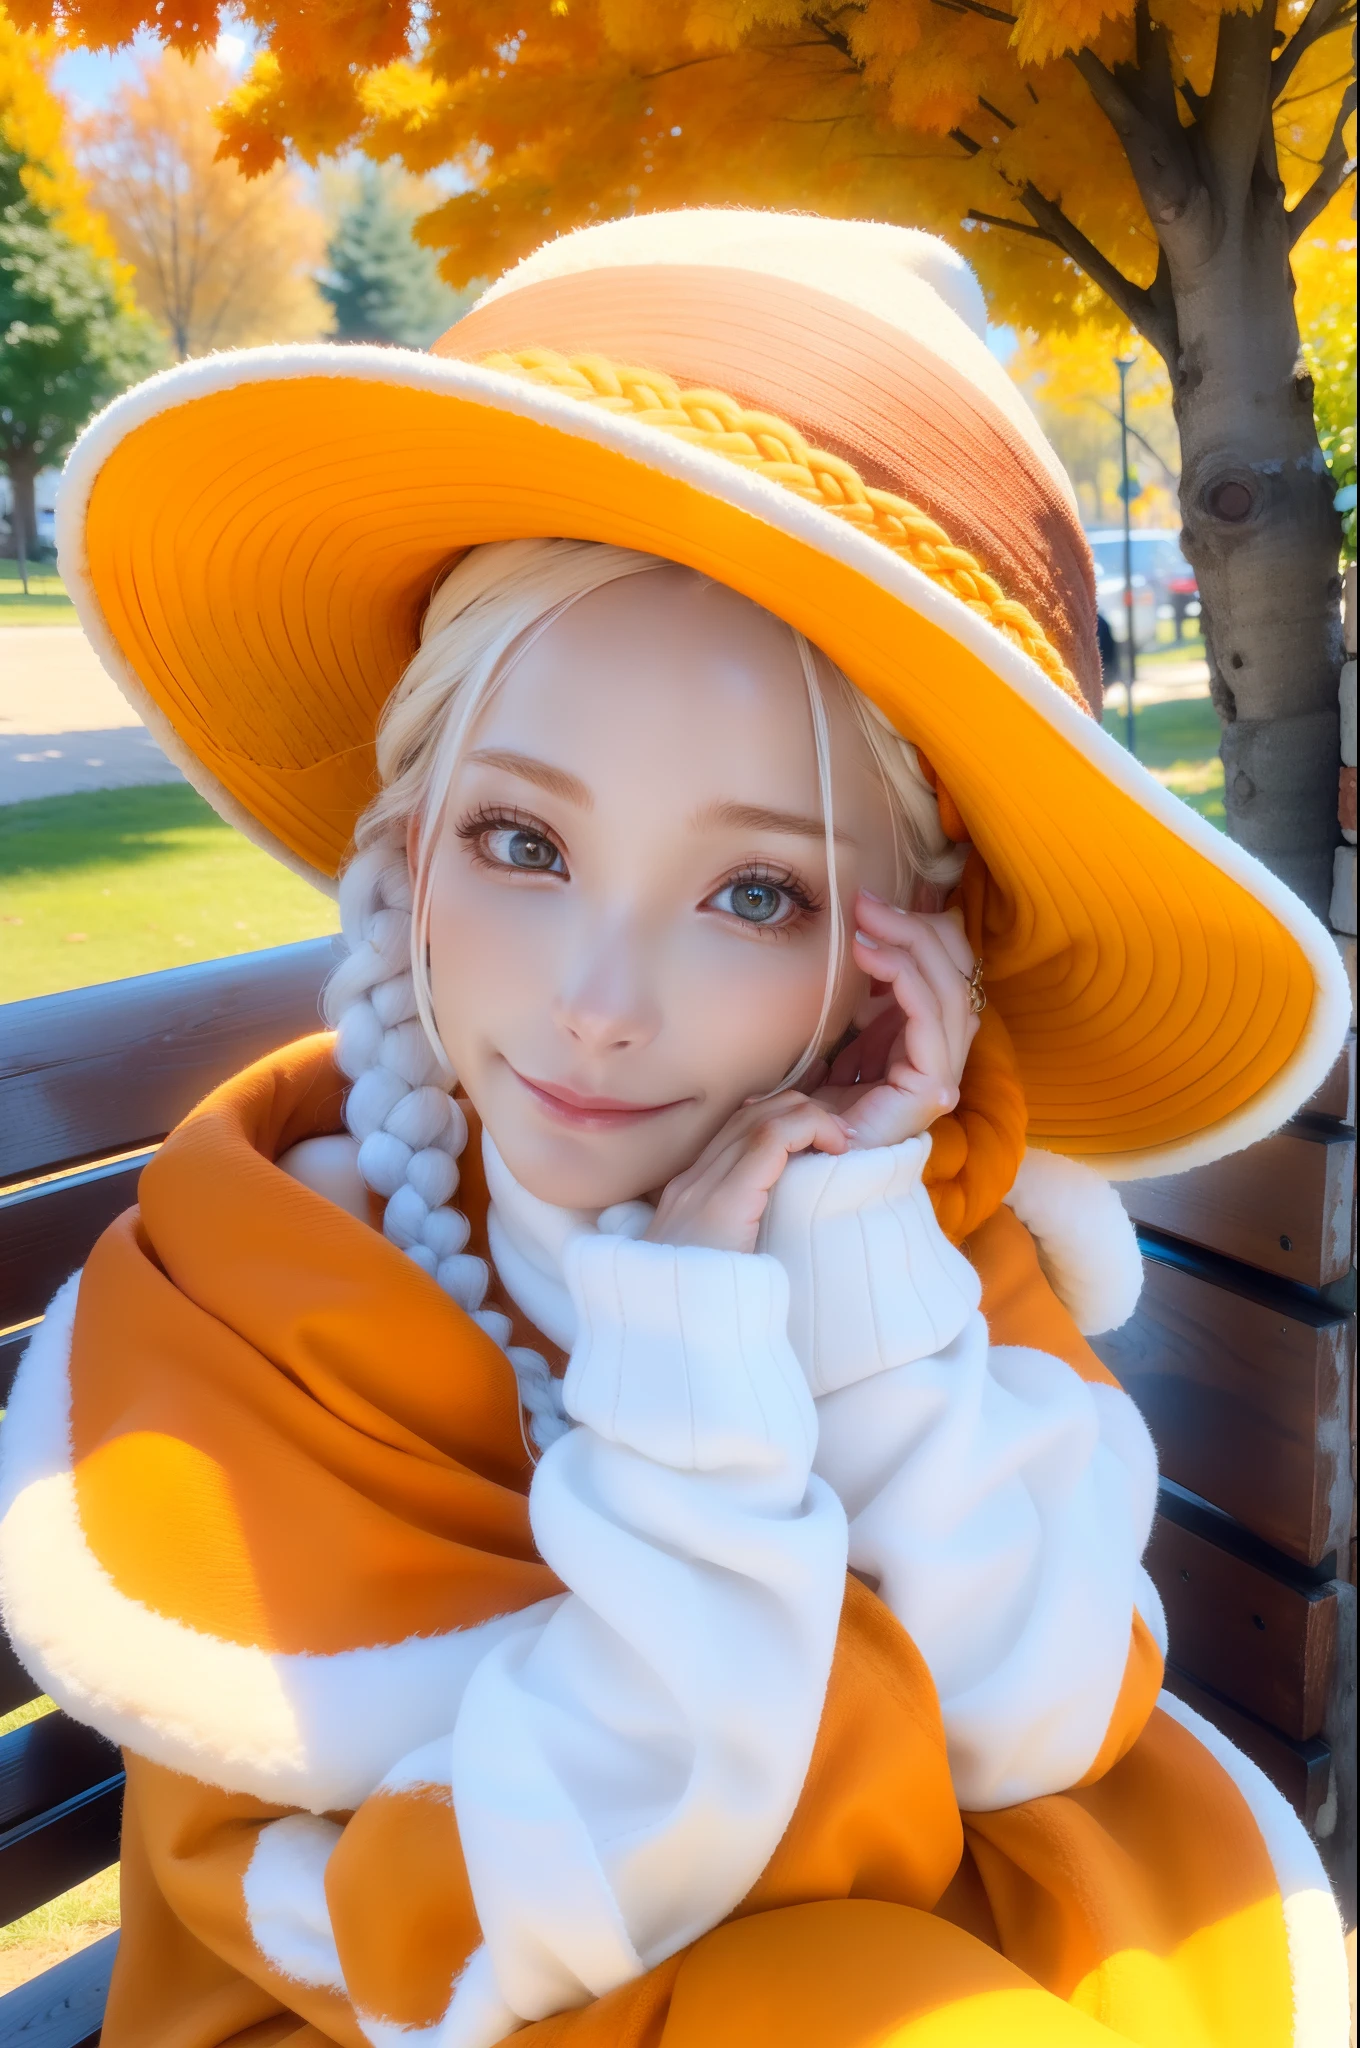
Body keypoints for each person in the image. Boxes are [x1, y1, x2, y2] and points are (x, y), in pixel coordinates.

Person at [0, 209, 1350, 2048]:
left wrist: (861, 1265)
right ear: (409, 846)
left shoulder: (925, 1241)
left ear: (903, 961)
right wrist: (701, 1395)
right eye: (524, 846)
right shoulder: (255, 1308)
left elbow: (1035, 1716)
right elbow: (489, 1917)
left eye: (761, 896)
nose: (601, 1000)